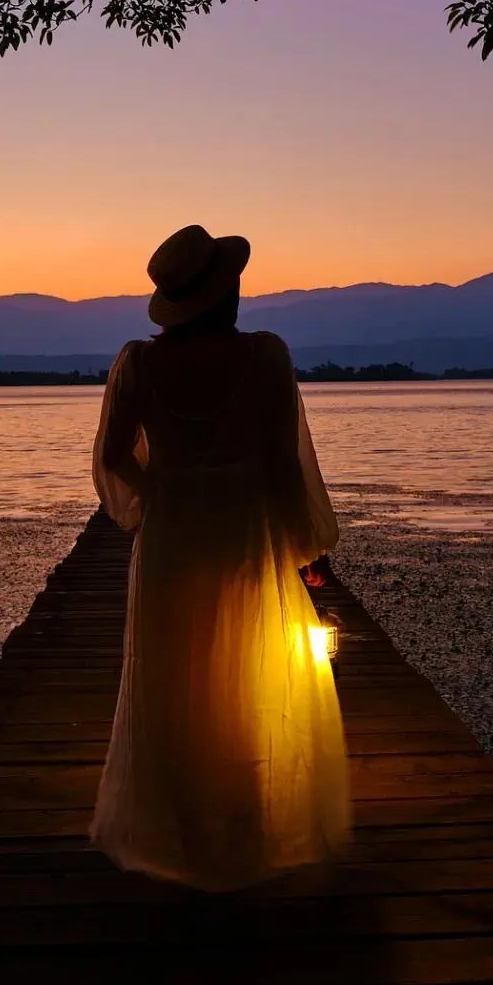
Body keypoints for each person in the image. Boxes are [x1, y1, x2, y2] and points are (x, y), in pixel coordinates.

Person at [90, 224, 351, 891]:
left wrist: (160, 491)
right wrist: (306, 548)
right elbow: (284, 463)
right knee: (243, 670)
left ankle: (179, 830)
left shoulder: (137, 365)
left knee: (175, 677)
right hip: (242, 533)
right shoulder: (265, 357)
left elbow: (113, 457)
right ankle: (245, 822)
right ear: (226, 292)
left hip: (173, 536)